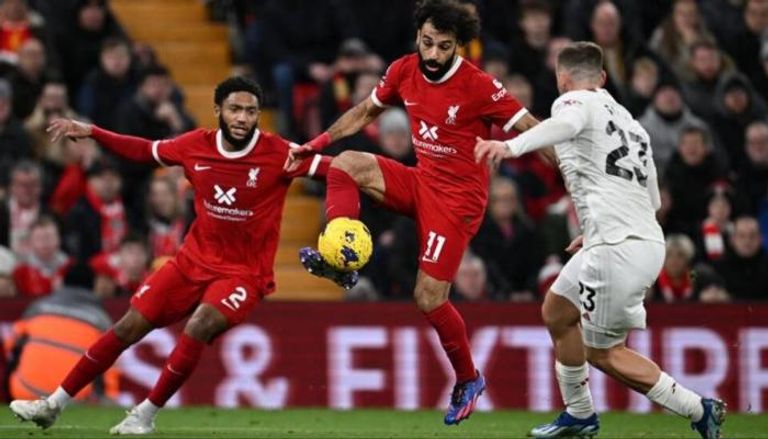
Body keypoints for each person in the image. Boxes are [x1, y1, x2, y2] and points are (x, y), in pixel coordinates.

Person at [9, 76, 332, 435]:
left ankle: (144, 415)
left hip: (243, 273)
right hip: (190, 262)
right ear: (218, 111)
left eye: (251, 111)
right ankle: (52, 404)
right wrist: (94, 132)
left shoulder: (280, 153)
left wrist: (374, 173)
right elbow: (144, 150)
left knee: (199, 325)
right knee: (128, 326)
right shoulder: (195, 145)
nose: (243, 118)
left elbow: (335, 170)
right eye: (235, 109)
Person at [286, 0, 538, 425]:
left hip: (457, 204)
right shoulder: (404, 70)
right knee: (347, 164)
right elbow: (365, 111)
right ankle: (342, 258)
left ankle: (469, 378)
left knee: (428, 297)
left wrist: (579, 182)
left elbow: (534, 129)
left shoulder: (480, 86)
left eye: (444, 46)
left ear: (459, 46)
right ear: (418, 36)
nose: (434, 54)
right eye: (427, 42)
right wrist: (317, 143)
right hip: (422, 182)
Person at [474, 41, 724, 439]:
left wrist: (509, 145)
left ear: (563, 79)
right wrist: (595, 229)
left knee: (604, 351)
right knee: (557, 310)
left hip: (617, 246)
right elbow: (654, 199)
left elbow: (565, 126)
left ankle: (698, 408)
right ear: (603, 77)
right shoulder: (633, 125)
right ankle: (579, 413)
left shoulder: (573, 102)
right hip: (632, 238)